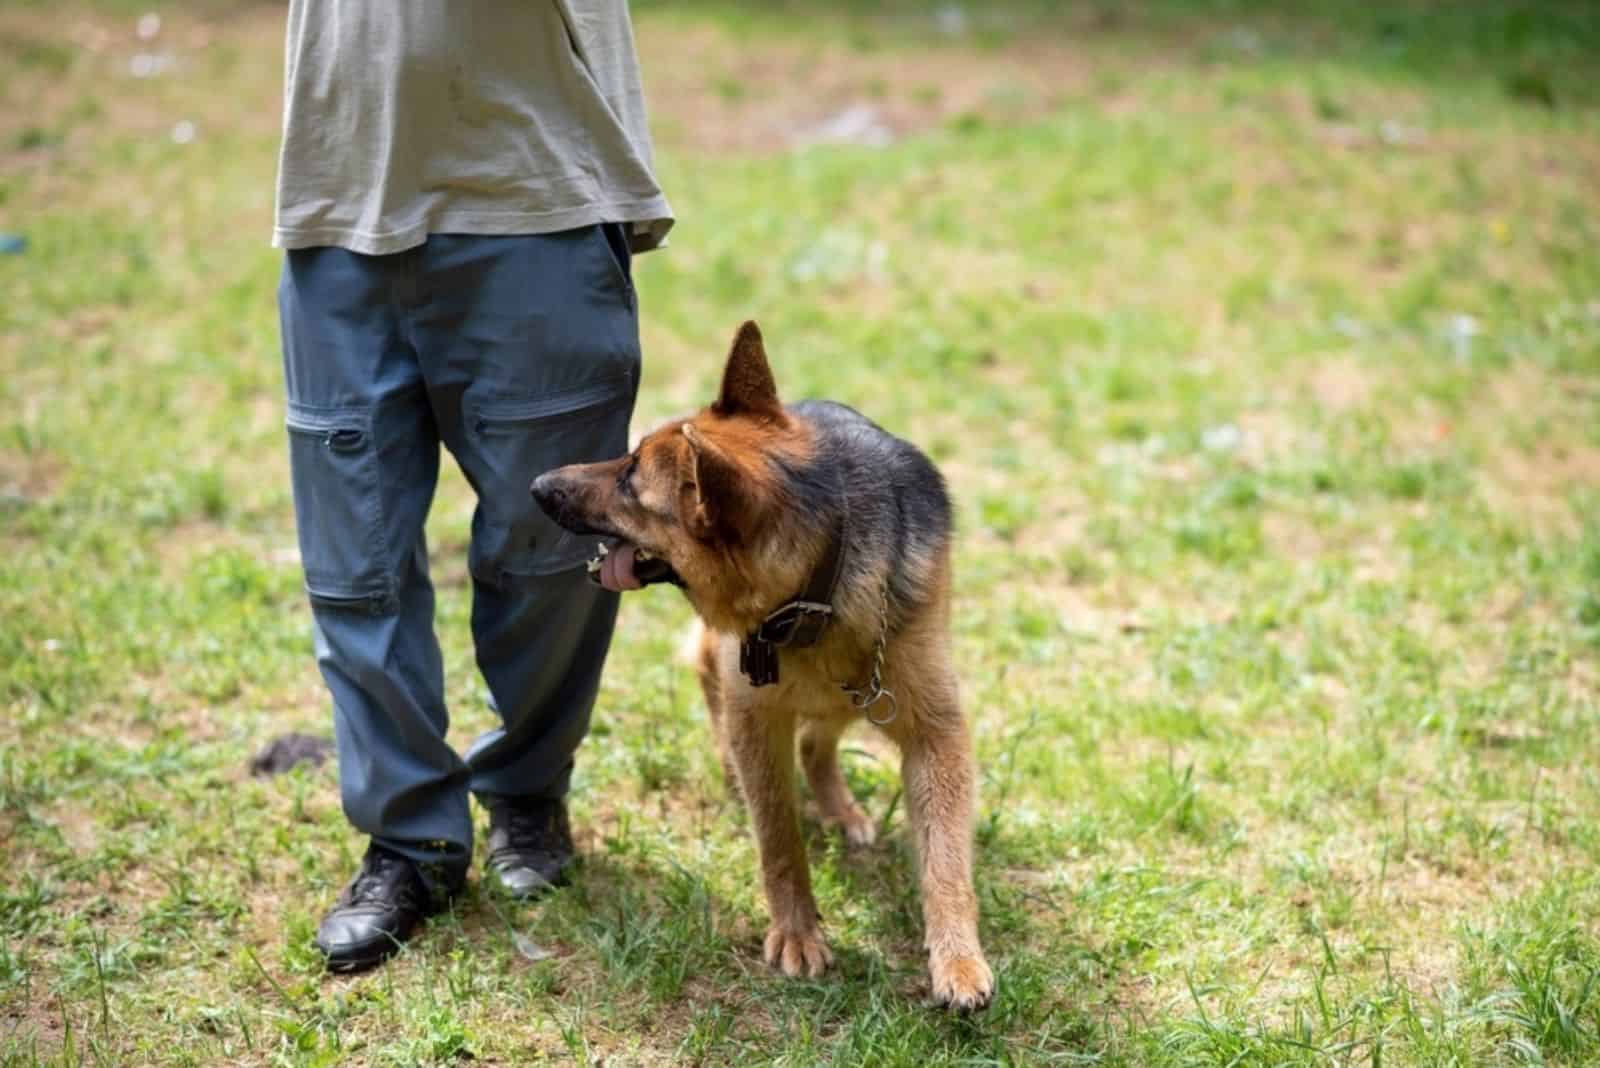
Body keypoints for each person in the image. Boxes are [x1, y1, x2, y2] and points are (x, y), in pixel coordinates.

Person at [273, 1, 672, 972]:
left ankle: (528, 789)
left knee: (554, 552)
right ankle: (410, 842)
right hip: (336, 207)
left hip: (533, 204)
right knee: (353, 566)